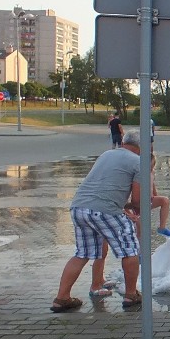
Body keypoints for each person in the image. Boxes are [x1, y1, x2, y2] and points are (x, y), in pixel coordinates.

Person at [51, 129, 143, 312]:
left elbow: (103, 187)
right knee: (130, 249)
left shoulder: (107, 154)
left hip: (79, 207)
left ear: (124, 142)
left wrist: (121, 206)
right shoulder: (139, 162)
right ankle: (131, 295)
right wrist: (135, 211)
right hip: (105, 211)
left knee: (82, 253)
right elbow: (138, 200)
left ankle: (61, 298)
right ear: (141, 146)